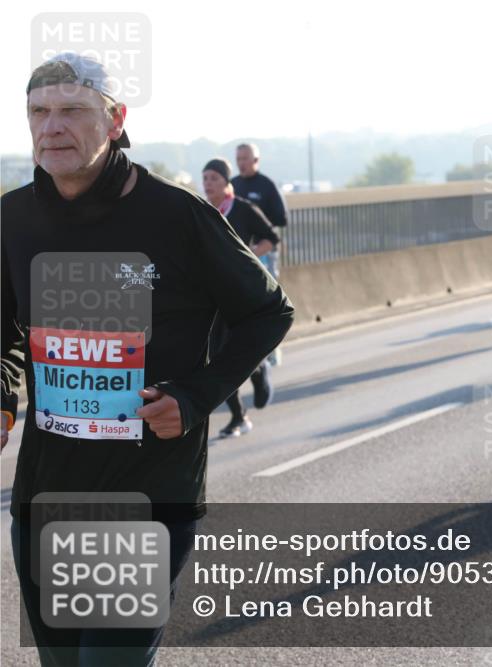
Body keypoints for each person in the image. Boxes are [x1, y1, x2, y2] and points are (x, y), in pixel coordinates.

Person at [1, 53, 294, 666]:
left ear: (114, 121)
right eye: (38, 112)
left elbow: (269, 312)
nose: (52, 127)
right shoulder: (13, 219)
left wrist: (193, 397)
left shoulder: (177, 215)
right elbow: (5, 332)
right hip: (44, 494)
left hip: (145, 495)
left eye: (73, 111)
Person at [202, 158, 281, 438]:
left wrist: (248, 259)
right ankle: (239, 416)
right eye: (205, 178)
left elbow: (271, 238)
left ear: (226, 182)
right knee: (216, 356)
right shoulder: (200, 211)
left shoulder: (243, 209)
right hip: (210, 295)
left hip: (241, 293)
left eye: (214, 178)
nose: (208, 183)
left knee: (237, 349)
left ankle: (258, 373)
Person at [232, 142, 287, 365]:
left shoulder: (266, 186)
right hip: (240, 254)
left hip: (264, 251)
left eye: (246, 159)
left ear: (256, 160)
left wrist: (257, 220)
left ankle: (273, 346)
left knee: (268, 302)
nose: (242, 163)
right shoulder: (232, 185)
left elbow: (282, 219)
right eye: (239, 159)